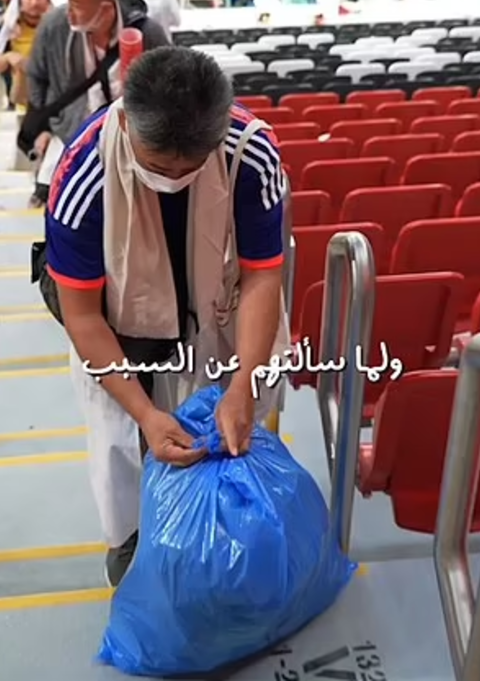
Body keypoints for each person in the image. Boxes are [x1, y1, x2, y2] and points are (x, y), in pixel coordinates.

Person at [41, 47, 291, 586]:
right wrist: (145, 414)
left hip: (218, 299)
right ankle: (131, 543)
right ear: (127, 121)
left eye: (190, 167)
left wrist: (245, 379)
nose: (174, 178)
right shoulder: (83, 172)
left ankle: (224, 538)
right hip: (117, 315)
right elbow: (83, 317)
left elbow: (263, 276)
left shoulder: (250, 153)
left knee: (224, 423)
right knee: (121, 435)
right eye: (157, 167)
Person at [25, 0, 169, 209]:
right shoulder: (54, 26)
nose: (68, 12)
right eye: (68, 2)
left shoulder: (147, 32)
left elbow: (168, 87)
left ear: (105, 9)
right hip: (70, 132)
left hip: (129, 140)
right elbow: (36, 76)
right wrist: (42, 127)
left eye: (76, 5)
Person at [0, 0, 53, 117]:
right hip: (25, 104)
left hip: (55, 102)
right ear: (20, 0)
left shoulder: (56, 27)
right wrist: (9, 57)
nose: (34, 2)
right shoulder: (8, 28)